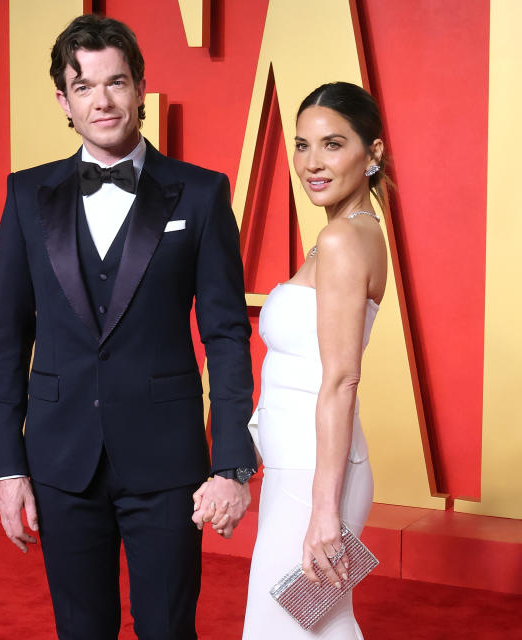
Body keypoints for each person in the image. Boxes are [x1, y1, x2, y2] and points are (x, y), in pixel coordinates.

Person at [0, 14, 258, 640]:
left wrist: (232, 462)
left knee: (167, 628)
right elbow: (8, 338)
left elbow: (225, 334)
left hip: (167, 460)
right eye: (84, 87)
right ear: (63, 100)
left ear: (140, 88)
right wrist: (8, 467)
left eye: (116, 82)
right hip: (60, 458)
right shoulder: (27, 195)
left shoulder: (200, 193)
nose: (102, 101)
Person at [205, 81, 388, 638]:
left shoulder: (342, 243)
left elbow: (339, 380)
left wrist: (324, 510)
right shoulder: (346, 234)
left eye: (333, 144)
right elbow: (296, 379)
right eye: (303, 146)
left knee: (280, 628)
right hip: (305, 468)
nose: (312, 163)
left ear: (372, 153)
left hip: (315, 477)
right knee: (318, 627)